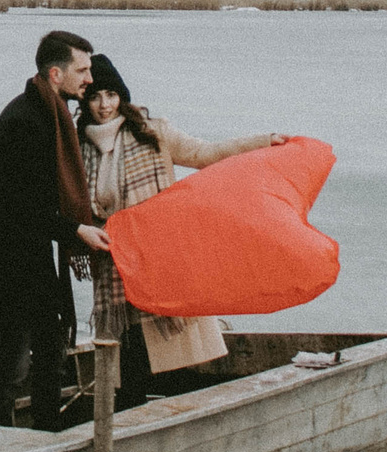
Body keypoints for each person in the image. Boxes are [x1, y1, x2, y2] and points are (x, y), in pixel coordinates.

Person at [76, 53, 287, 406]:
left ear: (121, 96)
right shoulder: (77, 146)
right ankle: (132, 412)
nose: (103, 105)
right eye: (95, 96)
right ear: (85, 100)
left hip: (155, 253)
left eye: (111, 95)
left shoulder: (152, 132)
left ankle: (174, 412)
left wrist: (262, 141)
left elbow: (205, 153)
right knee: (127, 343)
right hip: (111, 258)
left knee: (166, 338)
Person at [0, 29, 104, 430]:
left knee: (50, 356)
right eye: (82, 69)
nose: (90, 78)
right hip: (3, 264)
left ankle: (47, 436)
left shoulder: (47, 114)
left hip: (28, 262)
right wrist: (77, 231)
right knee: (16, 364)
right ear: (56, 74)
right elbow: (20, 207)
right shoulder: (26, 121)